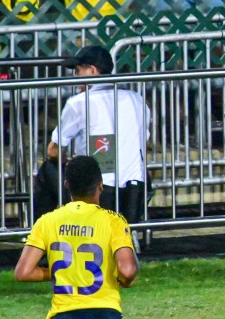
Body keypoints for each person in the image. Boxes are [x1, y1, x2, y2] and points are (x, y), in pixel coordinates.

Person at [15, 155, 139, 319]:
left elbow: (23, 272)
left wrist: (57, 271)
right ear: (101, 186)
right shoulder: (113, 221)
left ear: (67, 185)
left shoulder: (48, 221)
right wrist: (124, 280)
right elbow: (128, 271)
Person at [48, 45, 151, 224]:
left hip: (95, 193)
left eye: (78, 71)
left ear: (92, 70)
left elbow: (53, 150)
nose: (76, 77)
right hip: (136, 190)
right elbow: (144, 140)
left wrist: (72, 160)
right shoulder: (136, 98)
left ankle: (38, 235)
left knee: (47, 169)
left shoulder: (78, 102)